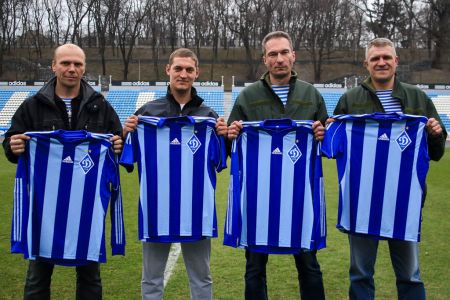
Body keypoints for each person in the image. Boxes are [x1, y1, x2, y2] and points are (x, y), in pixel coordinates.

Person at [2, 43, 123, 300]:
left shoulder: (100, 105)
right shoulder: (33, 105)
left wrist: (118, 145)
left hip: (87, 209)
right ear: (54, 66)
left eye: (77, 64)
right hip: (44, 209)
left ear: (84, 68)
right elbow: (13, 142)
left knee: (90, 277)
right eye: (66, 63)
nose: (71, 69)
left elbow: (117, 141)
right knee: (37, 277)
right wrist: (13, 145)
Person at [332, 37, 447, 300]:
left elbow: (437, 153)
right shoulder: (350, 99)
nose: (381, 62)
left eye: (386, 57)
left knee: (410, 276)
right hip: (362, 201)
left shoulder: (417, 97)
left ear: (396, 61)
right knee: (360, 274)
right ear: (366, 64)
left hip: (404, 202)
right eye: (375, 58)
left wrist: (435, 134)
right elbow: (334, 148)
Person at [227, 31, 327, 300]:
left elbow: (328, 146)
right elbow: (229, 146)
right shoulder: (248, 96)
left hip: (300, 197)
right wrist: (231, 134)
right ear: (265, 60)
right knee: (255, 267)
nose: (279, 59)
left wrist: (322, 135)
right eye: (273, 54)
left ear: (293, 55)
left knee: (309, 264)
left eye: (284, 53)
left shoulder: (311, 95)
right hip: (259, 198)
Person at [122, 48, 228, 300]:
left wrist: (224, 137)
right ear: (168, 70)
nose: (183, 74)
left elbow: (220, 160)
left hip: (196, 211)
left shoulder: (210, 117)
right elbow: (126, 158)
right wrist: (126, 133)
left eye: (189, 69)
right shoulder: (146, 114)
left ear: (197, 73)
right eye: (178, 68)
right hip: (156, 210)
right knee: (151, 278)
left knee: (201, 277)